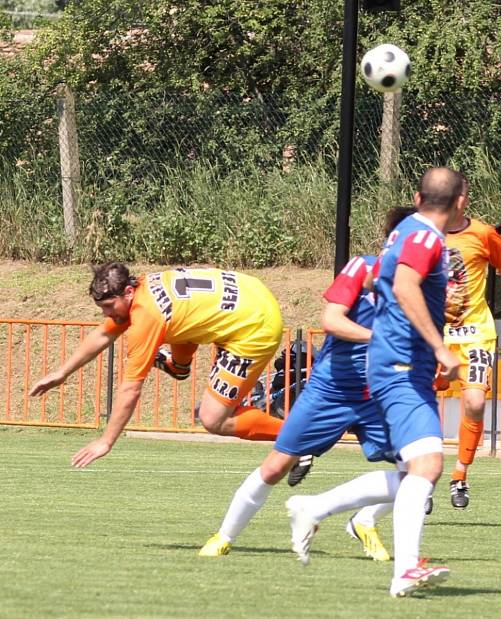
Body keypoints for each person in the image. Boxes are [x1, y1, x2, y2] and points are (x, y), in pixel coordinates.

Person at [198, 207, 416, 560]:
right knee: (275, 466)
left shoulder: (421, 285)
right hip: (332, 390)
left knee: (420, 475)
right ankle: (223, 537)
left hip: (382, 393)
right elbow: (331, 320)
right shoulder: (362, 267)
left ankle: (362, 521)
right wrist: (380, 339)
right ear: (396, 239)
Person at [285, 167, 462, 598]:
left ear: (419, 197)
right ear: (462, 202)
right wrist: (438, 345)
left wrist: (436, 305)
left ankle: (315, 506)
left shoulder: (403, 231)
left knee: (412, 473)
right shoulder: (424, 238)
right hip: (402, 362)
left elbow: (384, 281)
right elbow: (403, 286)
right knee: (428, 466)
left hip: (399, 362)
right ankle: (405, 570)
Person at [29, 263, 285, 467]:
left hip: (254, 326)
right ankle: (177, 366)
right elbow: (105, 333)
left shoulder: (146, 317)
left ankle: (299, 437)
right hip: (250, 292)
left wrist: (106, 441)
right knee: (178, 327)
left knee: (213, 419)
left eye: (108, 306)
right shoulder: (141, 286)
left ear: (127, 293)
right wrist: (62, 372)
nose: (106, 314)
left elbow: (130, 390)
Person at [438, 171, 501, 510]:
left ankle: (460, 475)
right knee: (417, 404)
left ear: (465, 199)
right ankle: (419, 477)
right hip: (434, 334)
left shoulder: (483, 233)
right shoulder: (423, 233)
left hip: (476, 330)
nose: (455, 202)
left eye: (460, 196)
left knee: (475, 403)